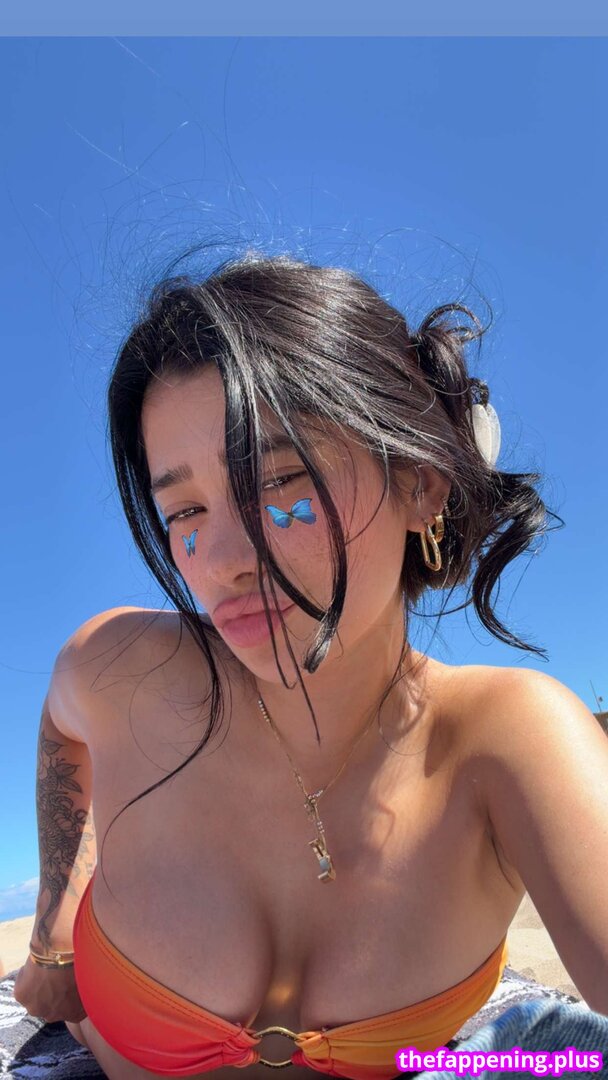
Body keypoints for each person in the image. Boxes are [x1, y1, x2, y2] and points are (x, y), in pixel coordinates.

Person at [13, 252, 608, 1080]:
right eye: (184, 510)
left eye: (279, 480)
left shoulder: (505, 740)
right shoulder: (124, 672)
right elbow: (60, 727)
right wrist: (52, 933)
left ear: (422, 484)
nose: (222, 560)